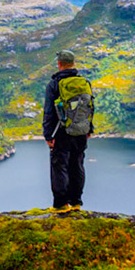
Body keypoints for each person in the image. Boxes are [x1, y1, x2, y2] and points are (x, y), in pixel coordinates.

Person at [41, 49, 92, 209]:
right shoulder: (84, 83)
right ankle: (76, 202)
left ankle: (61, 204)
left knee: (59, 165)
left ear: (59, 64)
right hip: (81, 130)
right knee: (77, 164)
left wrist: (48, 135)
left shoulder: (54, 84)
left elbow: (49, 112)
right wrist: (89, 128)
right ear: (73, 63)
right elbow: (89, 107)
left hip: (61, 131)